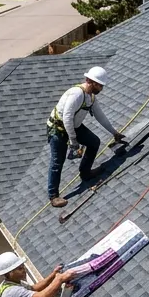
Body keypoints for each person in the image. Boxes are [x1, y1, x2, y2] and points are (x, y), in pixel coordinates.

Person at [47, 66, 124, 208]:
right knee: (58, 162)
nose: (101, 89)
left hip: (72, 127)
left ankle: (85, 172)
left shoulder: (91, 98)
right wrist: (73, 140)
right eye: (100, 85)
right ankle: (53, 196)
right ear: (92, 82)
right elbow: (67, 118)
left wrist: (114, 133)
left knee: (94, 142)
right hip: (57, 129)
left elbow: (100, 117)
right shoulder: (77, 94)